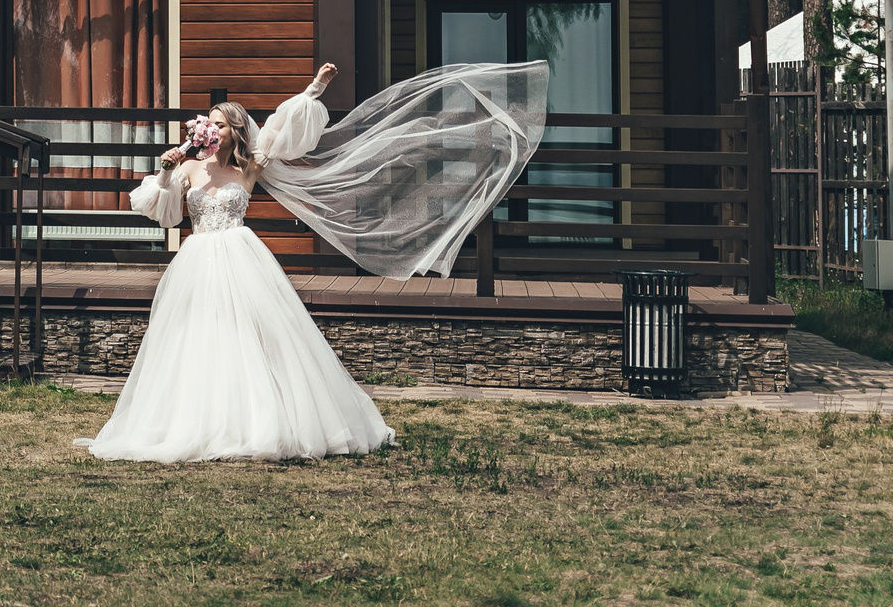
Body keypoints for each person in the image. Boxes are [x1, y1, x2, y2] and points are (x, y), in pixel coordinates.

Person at [81, 59, 548, 464]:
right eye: (211, 122)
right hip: (198, 256)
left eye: (223, 124)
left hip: (240, 257)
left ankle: (257, 418)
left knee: (255, 336)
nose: (214, 129)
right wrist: (166, 168)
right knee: (193, 335)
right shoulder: (187, 168)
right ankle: (190, 418)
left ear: (236, 131)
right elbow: (163, 214)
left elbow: (282, 131)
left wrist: (313, 90)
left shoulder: (250, 166)